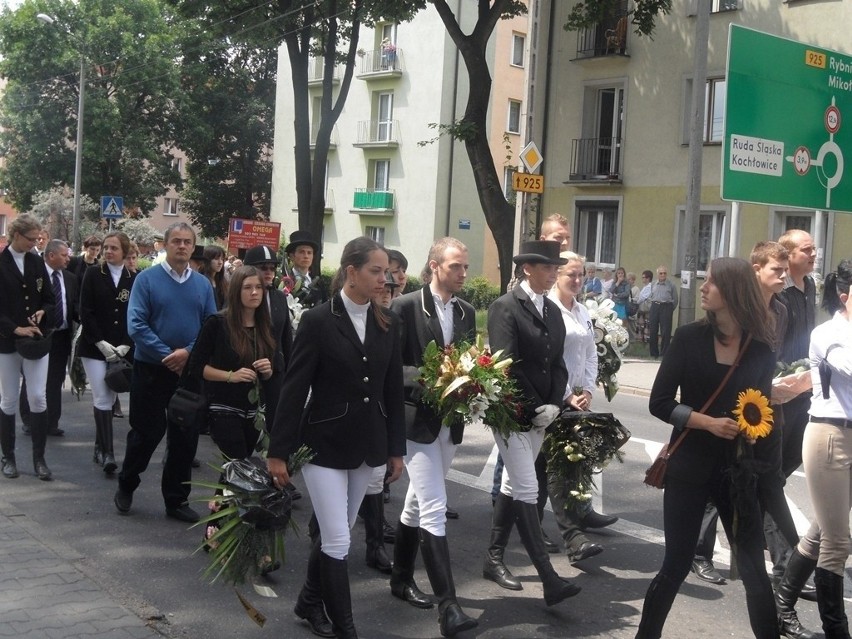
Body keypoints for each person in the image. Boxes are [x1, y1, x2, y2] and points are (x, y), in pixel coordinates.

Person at [266, 237, 406, 639]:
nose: (385, 279)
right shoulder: (318, 320)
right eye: (376, 271)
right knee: (340, 538)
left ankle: (309, 600)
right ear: (351, 273)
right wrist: (279, 453)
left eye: (388, 272)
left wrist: (396, 448)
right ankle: (347, 629)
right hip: (323, 445)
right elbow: (294, 389)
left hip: (368, 445)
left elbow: (392, 390)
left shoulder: (387, 322)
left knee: (334, 533)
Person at [635, 257, 778, 639]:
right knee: (676, 564)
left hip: (737, 473)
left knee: (753, 571)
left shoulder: (761, 349)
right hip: (689, 466)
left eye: (711, 282)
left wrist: (753, 433)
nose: (703, 287)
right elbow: (660, 402)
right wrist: (707, 422)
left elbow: (761, 411)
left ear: (732, 291)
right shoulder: (689, 337)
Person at [483, 240, 581, 607]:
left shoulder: (552, 311)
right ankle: (548, 577)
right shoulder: (505, 307)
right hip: (511, 413)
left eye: (556, 266)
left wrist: (554, 404)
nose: (553, 272)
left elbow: (558, 363)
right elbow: (505, 363)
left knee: (512, 484)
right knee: (526, 486)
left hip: (544, 414)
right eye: (546, 267)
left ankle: (493, 558)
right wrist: (534, 406)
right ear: (527, 269)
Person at [389, 237, 478, 637]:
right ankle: (449, 607)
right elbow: (392, 368)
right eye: (455, 266)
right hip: (415, 422)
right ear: (434, 266)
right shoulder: (405, 306)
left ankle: (400, 577)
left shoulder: (467, 311)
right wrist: (429, 378)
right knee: (434, 506)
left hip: (449, 421)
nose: (463, 273)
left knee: (416, 503)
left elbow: (469, 362)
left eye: (465, 267)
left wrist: (474, 384)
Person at [113, 222, 216, 522]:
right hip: (151, 369)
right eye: (176, 241)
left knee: (185, 438)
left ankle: (176, 500)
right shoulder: (146, 280)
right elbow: (136, 325)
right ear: (166, 245)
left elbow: (211, 325)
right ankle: (127, 483)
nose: (182, 246)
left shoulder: (202, 285)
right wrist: (166, 354)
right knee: (146, 434)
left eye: (187, 242)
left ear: (193, 247)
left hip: (188, 372)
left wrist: (188, 353)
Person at [546, 251, 618, 562]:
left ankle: (518, 532)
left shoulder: (581, 311)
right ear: (556, 276)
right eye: (570, 275)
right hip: (552, 398)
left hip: (577, 398)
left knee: (565, 466)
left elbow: (590, 352)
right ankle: (573, 538)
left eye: (580, 275)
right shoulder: (548, 309)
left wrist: (587, 389)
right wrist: (566, 395)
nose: (576, 281)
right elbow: (547, 359)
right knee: (559, 468)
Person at [798, 258, 852, 639]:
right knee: (837, 541)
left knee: (819, 531)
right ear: (845, 295)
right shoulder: (829, 332)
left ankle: (783, 600)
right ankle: (837, 632)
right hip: (830, 435)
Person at [187, 266, 279, 461]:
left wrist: (268, 371)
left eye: (258, 287)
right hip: (223, 407)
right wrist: (231, 376)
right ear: (236, 291)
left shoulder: (266, 326)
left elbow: (273, 372)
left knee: (236, 471)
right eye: (247, 287)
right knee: (237, 463)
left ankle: (224, 494)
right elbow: (195, 366)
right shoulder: (218, 323)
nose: (254, 292)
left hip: (254, 413)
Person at [0, 215, 56, 480]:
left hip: (35, 339)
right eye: (31, 239)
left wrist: (43, 312)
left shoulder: (36, 261)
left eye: (37, 239)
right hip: (7, 340)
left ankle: (39, 459)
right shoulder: (1, 262)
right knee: (9, 399)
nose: (35, 244)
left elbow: (49, 297)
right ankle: (8, 457)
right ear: (16, 235)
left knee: (37, 397)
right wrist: (14, 328)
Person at [354, 268, 400, 576]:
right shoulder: (336, 319)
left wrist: (395, 446)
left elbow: (393, 383)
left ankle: (375, 546)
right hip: (342, 419)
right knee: (339, 490)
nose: (385, 290)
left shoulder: (389, 324)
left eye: (390, 289)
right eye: (382, 285)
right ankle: (323, 536)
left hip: (376, 418)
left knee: (372, 481)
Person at [79, 232, 135, 474]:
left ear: (124, 252)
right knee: (102, 396)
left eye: (114, 248)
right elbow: (85, 310)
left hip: (121, 348)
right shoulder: (93, 274)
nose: (108, 251)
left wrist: (126, 343)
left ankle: (99, 446)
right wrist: (99, 341)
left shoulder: (133, 278)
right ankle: (108, 453)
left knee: (112, 396)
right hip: (94, 347)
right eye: (106, 247)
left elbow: (136, 314)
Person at [19, 240, 78, 439]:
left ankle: (51, 421)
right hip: (38, 336)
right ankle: (29, 421)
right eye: (64, 255)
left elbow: (74, 306)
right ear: (51, 256)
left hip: (61, 336)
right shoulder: (35, 276)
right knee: (33, 378)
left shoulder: (70, 278)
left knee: (55, 379)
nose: (68, 258)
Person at [284, 230, 325, 308]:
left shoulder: (319, 283)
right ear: (292, 256)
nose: (306, 256)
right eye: (301, 252)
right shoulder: (283, 281)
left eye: (309, 253)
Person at [647, 265, 678, 358]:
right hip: (655, 306)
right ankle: (653, 354)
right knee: (653, 331)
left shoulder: (671, 285)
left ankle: (664, 354)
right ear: (657, 274)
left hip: (666, 307)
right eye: (661, 273)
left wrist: (669, 309)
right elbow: (650, 297)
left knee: (665, 332)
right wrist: (651, 306)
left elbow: (675, 300)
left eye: (664, 273)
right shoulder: (653, 284)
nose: (663, 275)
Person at [199, 245, 228, 310]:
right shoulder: (201, 281)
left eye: (222, 259)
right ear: (207, 260)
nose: (220, 262)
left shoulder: (223, 282)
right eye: (216, 259)